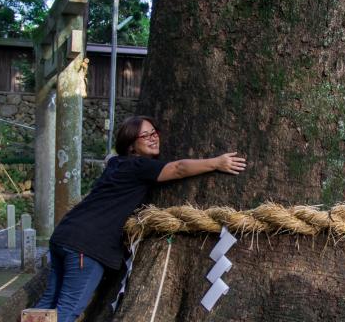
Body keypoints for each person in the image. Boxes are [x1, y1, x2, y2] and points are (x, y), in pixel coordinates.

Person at [34, 116, 246, 322]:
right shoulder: (139, 166)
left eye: (154, 132)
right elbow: (178, 168)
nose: (153, 138)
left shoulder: (116, 164)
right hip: (87, 246)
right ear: (131, 147)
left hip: (64, 235)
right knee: (68, 308)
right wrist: (216, 163)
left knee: (47, 302)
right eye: (145, 136)